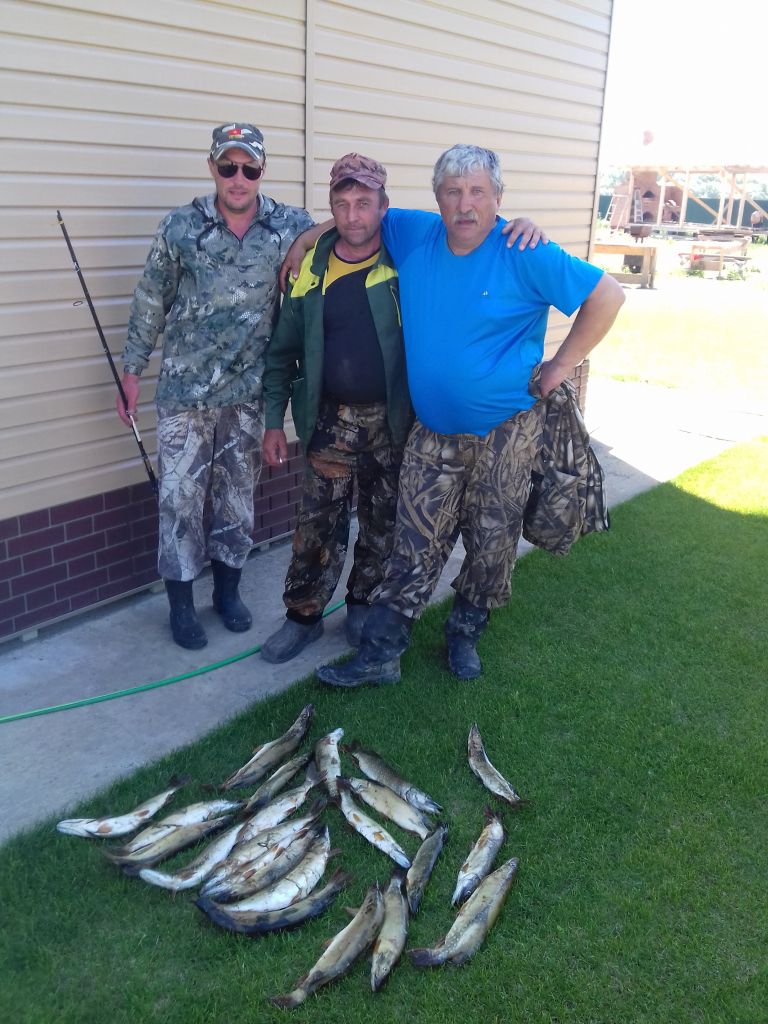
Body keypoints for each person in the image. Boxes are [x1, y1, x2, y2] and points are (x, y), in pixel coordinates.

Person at [315, 144, 625, 688]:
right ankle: (381, 654)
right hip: (433, 433)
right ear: (436, 198)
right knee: (413, 538)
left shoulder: (525, 250)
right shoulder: (415, 234)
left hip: (507, 433)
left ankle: (464, 633)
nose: (465, 204)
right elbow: (354, 218)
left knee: (492, 539)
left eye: (478, 191)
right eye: (453, 192)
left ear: (498, 197)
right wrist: (303, 244)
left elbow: (608, 295)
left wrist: (561, 366)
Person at [118, 123, 315, 650]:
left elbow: (347, 226)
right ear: (212, 167)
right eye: (228, 166)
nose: (238, 177)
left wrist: (305, 241)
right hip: (184, 396)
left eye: (249, 168)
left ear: (262, 171)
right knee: (179, 503)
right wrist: (132, 371)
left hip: (249, 396)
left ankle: (227, 594)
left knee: (236, 501)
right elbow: (150, 300)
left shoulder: (287, 224)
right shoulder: (180, 226)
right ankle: (181, 607)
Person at [258, 154, 411, 663]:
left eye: (364, 203)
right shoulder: (310, 269)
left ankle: (363, 604)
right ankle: (303, 616)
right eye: (341, 204)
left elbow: (465, 227)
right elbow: (281, 352)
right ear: (331, 208)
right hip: (330, 422)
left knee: (381, 521)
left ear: (383, 206)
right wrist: (273, 422)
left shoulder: (407, 260)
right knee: (317, 524)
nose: (352, 215)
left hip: (392, 422)